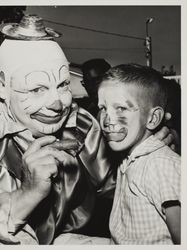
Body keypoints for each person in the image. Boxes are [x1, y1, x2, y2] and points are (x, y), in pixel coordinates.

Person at [0, 14, 175, 245]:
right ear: (1, 87)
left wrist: (145, 149)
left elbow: (114, 187)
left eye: (63, 84)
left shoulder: (82, 125)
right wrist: (27, 193)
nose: (57, 103)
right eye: (37, 88)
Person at [54, 64, 181, 244]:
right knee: (62, 241)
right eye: (103, 108)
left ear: (153, 119)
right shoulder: (126, 155)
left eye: (120, 108)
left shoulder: (161, 165)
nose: (107, 120)